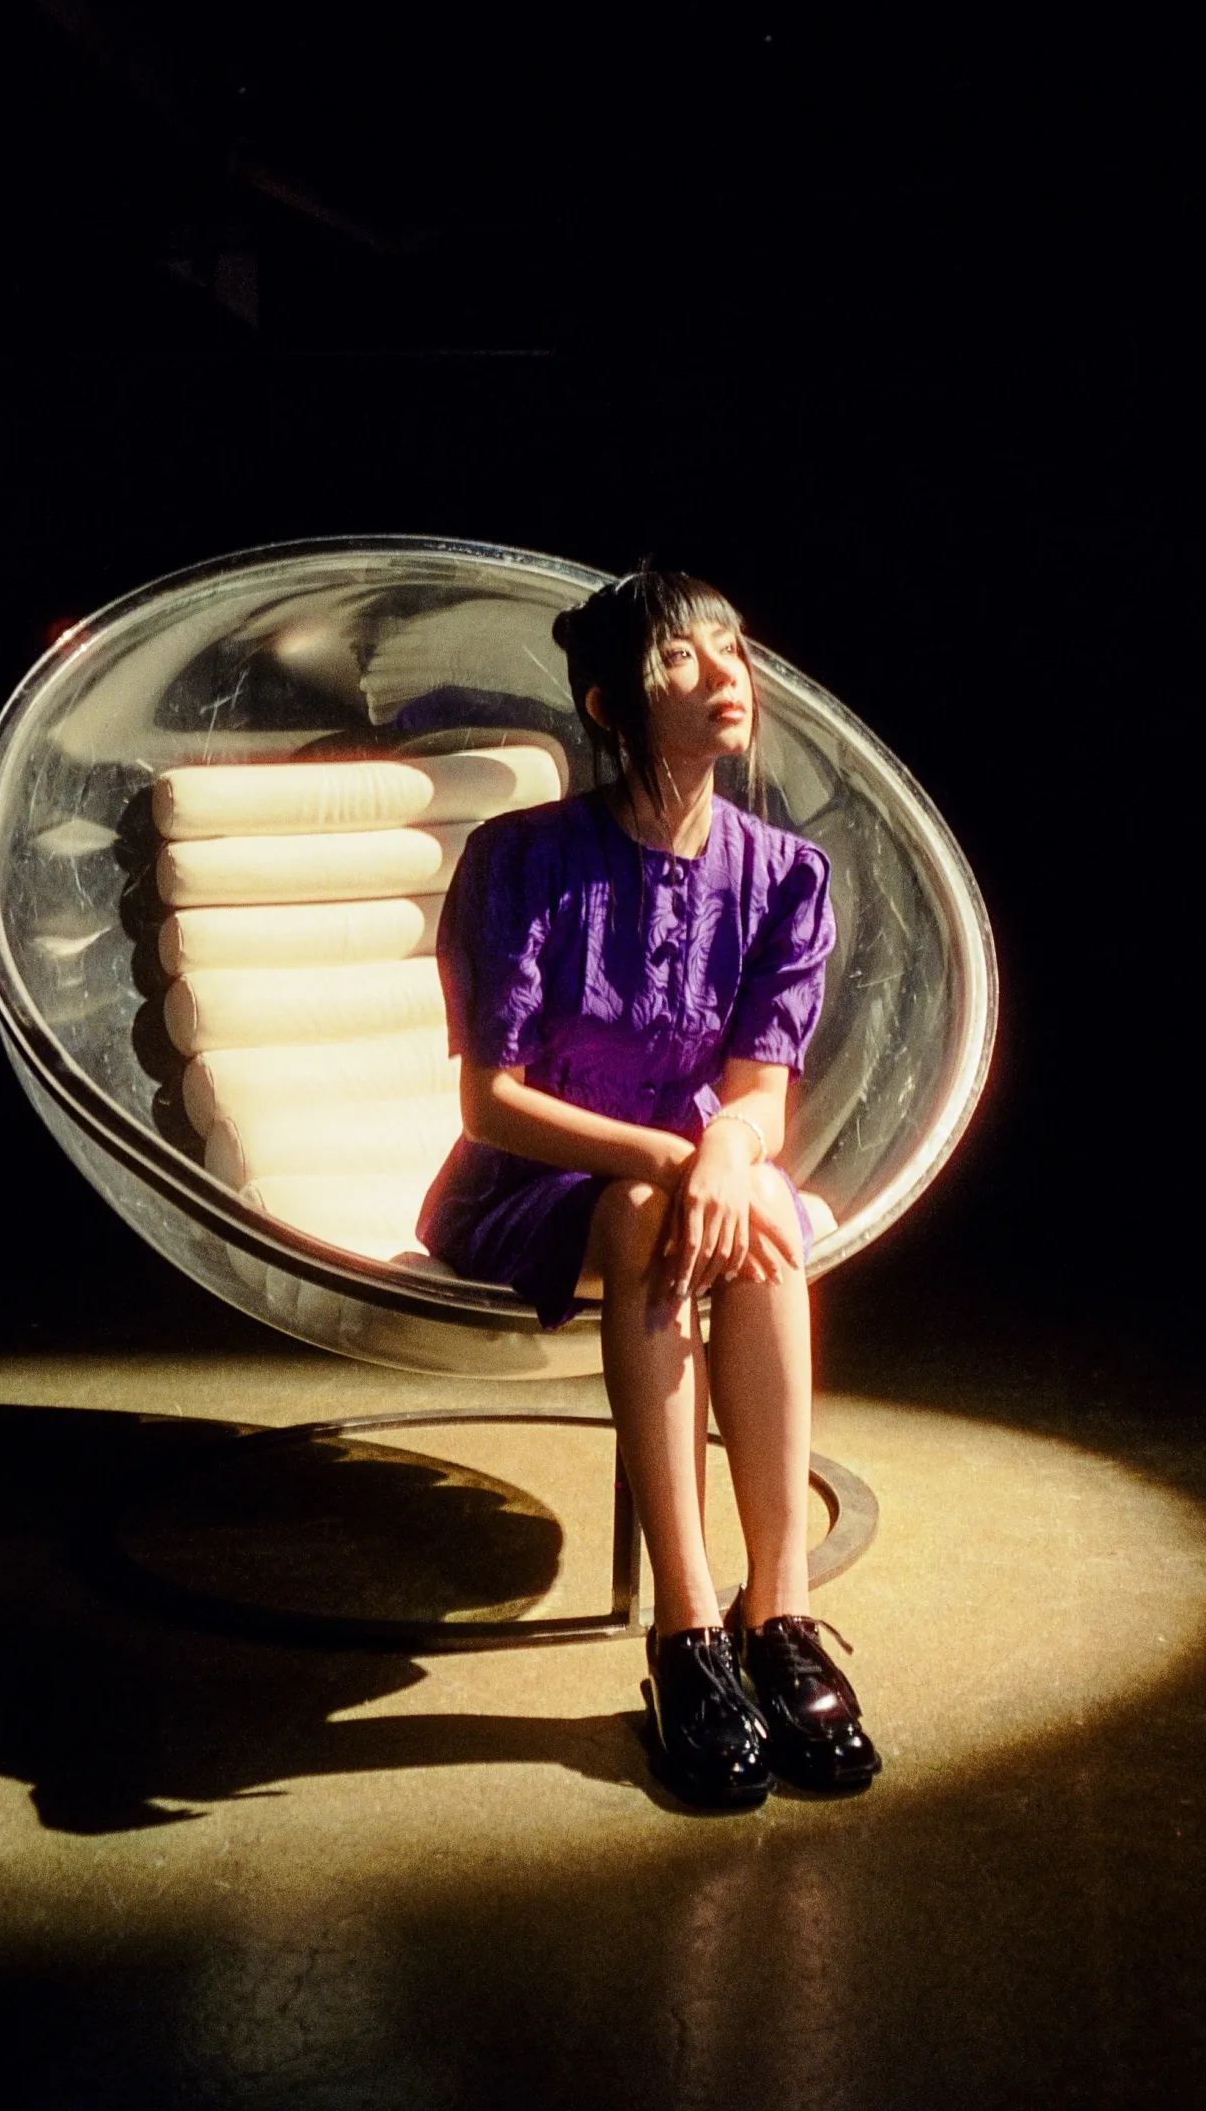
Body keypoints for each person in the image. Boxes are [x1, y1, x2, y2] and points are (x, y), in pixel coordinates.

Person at [417, 565, 880, 1809]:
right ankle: (684, 1633)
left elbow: (761, 1087)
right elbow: (488, 1100)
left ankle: (774, 1616)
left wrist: (727, 1155)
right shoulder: (522, 859)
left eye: (735, 647)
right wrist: (682, 1160)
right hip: (527, 1188)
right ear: (609, 703)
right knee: (640, 1207)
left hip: (700, 1188)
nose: (729, 674)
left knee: (766, 1203)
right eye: (685, 658)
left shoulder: (784, 875)